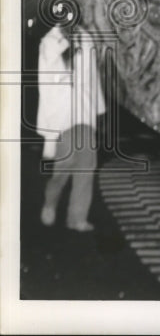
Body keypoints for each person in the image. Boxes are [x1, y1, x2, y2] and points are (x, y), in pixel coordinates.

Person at [37, 22, 106, 232]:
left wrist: (99, 111)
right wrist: (65, 41)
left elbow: (93, 77)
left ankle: (77, 218)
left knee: (86, 168)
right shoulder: (49, 42)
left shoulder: (86, 40)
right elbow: (45, 77)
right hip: (61, 115)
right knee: (62, 170)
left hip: (84, 112)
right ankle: (50, 203)